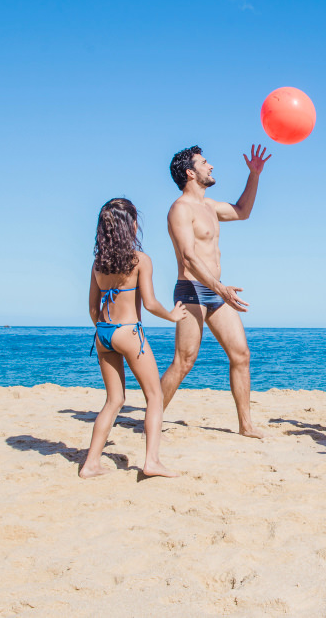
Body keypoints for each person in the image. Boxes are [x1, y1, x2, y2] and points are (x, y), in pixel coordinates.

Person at [160, 144, 271, 438]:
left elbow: (243, 211)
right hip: (191, 291)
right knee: (184, 361)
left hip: (216, 292)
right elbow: (188, 257)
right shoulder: (180, 209)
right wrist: (220, 288)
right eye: (205, 162)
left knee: (241, 354)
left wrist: (255, 175)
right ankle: (153, 417)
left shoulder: (209, 207)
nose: (211, 167)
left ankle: (246, 425)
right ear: (190, 172)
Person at [81, 198, 187, 479]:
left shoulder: (98, 263)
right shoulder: (140, 260)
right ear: (131, 226)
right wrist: (172, 315)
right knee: (154, 396)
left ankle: (91, 463)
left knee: (113, 401)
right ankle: (151, 461)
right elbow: (150, 304)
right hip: (128, 332)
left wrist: (107, 331)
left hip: (103, 333)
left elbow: (93, 307)